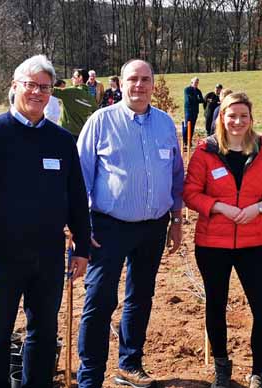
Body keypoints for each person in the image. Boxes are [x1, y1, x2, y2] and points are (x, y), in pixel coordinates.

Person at [0, 54, 91, 388]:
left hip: (47, 257)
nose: (37, 93)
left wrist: (83, 247)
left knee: (43, 334)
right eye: (30, 85)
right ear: (14, 87)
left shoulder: (61, 142)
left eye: (44, 87)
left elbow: (76, 198)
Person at [76, 59, 184, 388]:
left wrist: (177, 218)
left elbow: (176, 175)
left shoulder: (166, 124)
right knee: (99, 299)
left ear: (153, 84)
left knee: (141, 296)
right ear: (120, 84)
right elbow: (79, 177)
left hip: (153, 227)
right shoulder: (100, 122)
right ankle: (90, 376)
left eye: (145, 80)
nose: (139, 86)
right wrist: (80, 226)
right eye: (133, 79)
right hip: (107, 227)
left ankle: (130, 363)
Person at [183, 92, 262, 388]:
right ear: (221, 118)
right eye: (231, 115)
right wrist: (219, 207)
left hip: (252, 242)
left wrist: (259, 207)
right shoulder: (205, 152)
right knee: (216, 304)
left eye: (243, 116)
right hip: (213, 243)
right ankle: (222, 368)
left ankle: (259, 372)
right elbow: (190, 193)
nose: (237, 121)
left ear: (251, 119)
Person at [53, 68, 96, 140]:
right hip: (81, 133)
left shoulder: (71, 92)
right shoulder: (90, 97)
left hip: (65, 132)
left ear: (80, 78)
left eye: (74, 76)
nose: (72, 78)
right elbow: (95, 111)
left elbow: (51, 90)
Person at [183, 77, 205, 147]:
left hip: (195, 111)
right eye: (195, 82)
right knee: (187, 126)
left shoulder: (198, 91)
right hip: (188, 111)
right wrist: (197, 99)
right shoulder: (187, 89)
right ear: (191, 82)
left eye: (197, 82)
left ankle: (189, 142)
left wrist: (196, 99)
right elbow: (189, 99)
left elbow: (202, 100)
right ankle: (184, 142)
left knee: (192, 127)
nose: (196, 83)